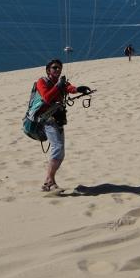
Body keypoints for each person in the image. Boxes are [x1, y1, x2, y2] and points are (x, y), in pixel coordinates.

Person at [36, 58, 91, 192]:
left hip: (58, 119)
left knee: (60, 151)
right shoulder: (42, 81)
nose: (58, 70)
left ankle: (50, 182)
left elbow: (69, 88)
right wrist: (58, 86)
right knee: (58, 147)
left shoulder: (61, 82)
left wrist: (78, 89)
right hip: (47, 119)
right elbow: (47, 98)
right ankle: (49, 181)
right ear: (48, 70)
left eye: (59, 67)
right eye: (54, 67)